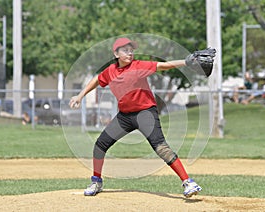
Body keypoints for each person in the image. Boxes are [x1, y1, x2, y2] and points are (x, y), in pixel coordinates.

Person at [69, 37, 202, 198]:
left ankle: (188, 182)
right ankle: (96, 181)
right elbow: (98, 79)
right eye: (125, 50)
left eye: (131, 50)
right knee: (100, 144)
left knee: (161, 147)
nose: (130, 52)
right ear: (116, 54)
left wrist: (186, 62)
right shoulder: (110, 71)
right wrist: (80, 95)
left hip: (145, 113)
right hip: (125, 116)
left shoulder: (138, 66)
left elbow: (163, 66)